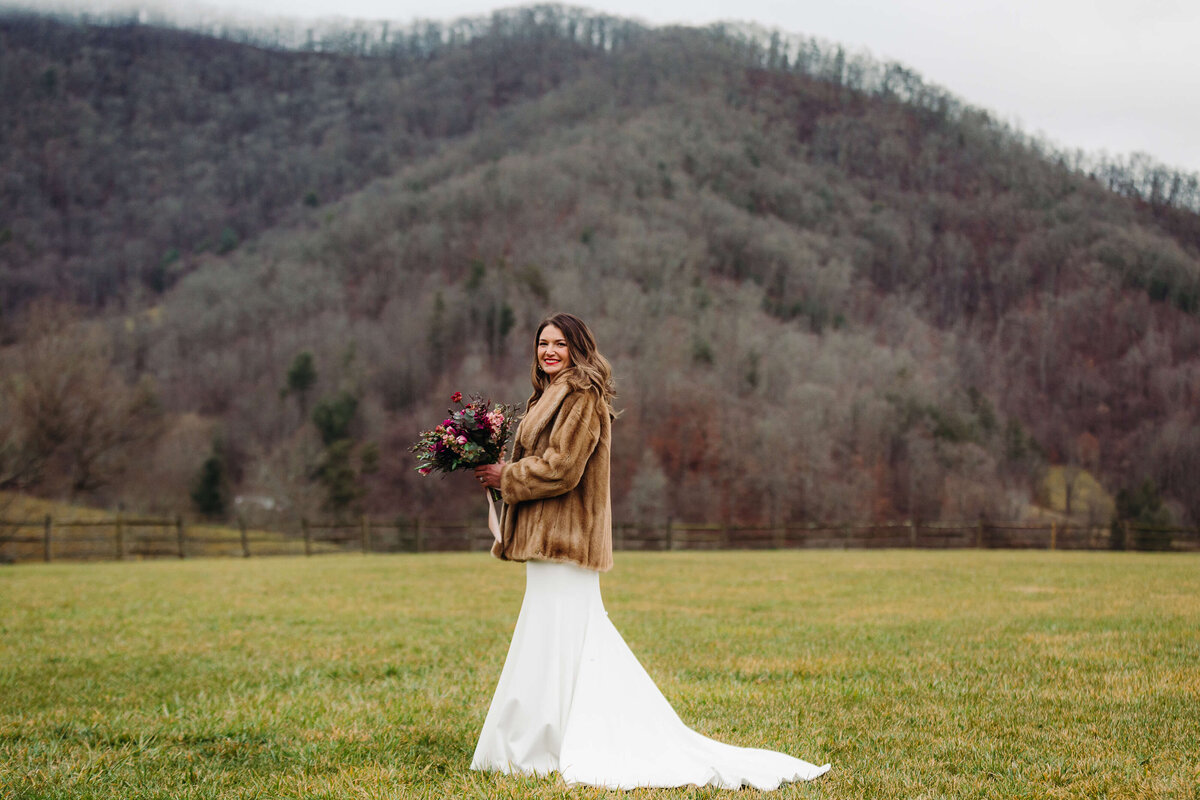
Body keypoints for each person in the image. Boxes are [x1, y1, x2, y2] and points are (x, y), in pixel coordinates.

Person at [470, 312, 830, 790]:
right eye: (542, 343)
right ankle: (542, 737)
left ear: (579, 347)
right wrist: (495, 468)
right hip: (545, 541)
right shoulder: (545, 396)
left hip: (568, 541)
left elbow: (563, 469)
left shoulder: (581, 397)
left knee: (564, 639)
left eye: (559, 343)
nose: (549, 351)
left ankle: (555, 740)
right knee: (550, 640)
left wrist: (507, 478)